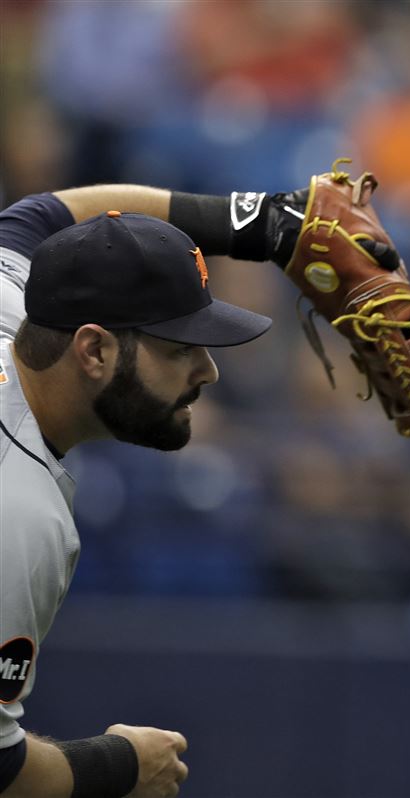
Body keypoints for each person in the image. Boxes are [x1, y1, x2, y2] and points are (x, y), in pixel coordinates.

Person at [0, 184, 305, 796]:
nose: (208, 371)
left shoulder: (16, 306)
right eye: (180, 348)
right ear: (94, 349)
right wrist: (124, 766)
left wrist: (255, 222)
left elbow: (38, 216)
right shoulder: (17, 513)